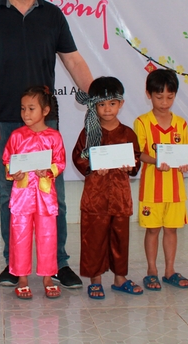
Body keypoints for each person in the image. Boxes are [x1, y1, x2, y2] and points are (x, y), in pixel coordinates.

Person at [0, 0, 93, 288]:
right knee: (11, 195)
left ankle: (59, 263)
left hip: (44, 126)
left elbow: (74, 62)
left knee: (55, 196)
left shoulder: (52, 15)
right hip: (4, 120)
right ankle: (14, 263)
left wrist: (97, 94)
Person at [72, 77, 143, 298]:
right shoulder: (89, 132)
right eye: (101, 104)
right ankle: (95, 280)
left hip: (120, 198)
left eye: (112, 103)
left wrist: (129, 166)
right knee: (94, 240)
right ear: (94, 105)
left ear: (121, 104)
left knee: (120, 239)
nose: (107, 109)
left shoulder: (128, 133)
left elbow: (136, 159)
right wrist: (92, 165)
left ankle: (120, 279)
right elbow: (78, 156)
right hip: (95, 198)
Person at [2, 86, 66, 299]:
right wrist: (14, 174)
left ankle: (48, 277)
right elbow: (7, 162)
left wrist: (48, 171)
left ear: (45, 110)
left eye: (31, 108)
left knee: (48, 236)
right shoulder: (16, 136)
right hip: (22, 197)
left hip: (45, 195)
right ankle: (22, 278)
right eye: (23, 109)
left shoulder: (54, 137)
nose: (26, 114)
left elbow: (60, 162)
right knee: (20, 236)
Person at [133, 70, 188, 291]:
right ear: (148, 95)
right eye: (159, 97)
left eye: (170, 97)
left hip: (175, 191)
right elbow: (138, 153)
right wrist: (156, 160)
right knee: (152, 230)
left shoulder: (181, 124)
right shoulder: (142, 122)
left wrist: (184, 163)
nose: (164, 102)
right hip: (151, 190)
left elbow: (185, 153)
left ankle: (169, 271)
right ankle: (151, 271)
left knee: (171, 230)